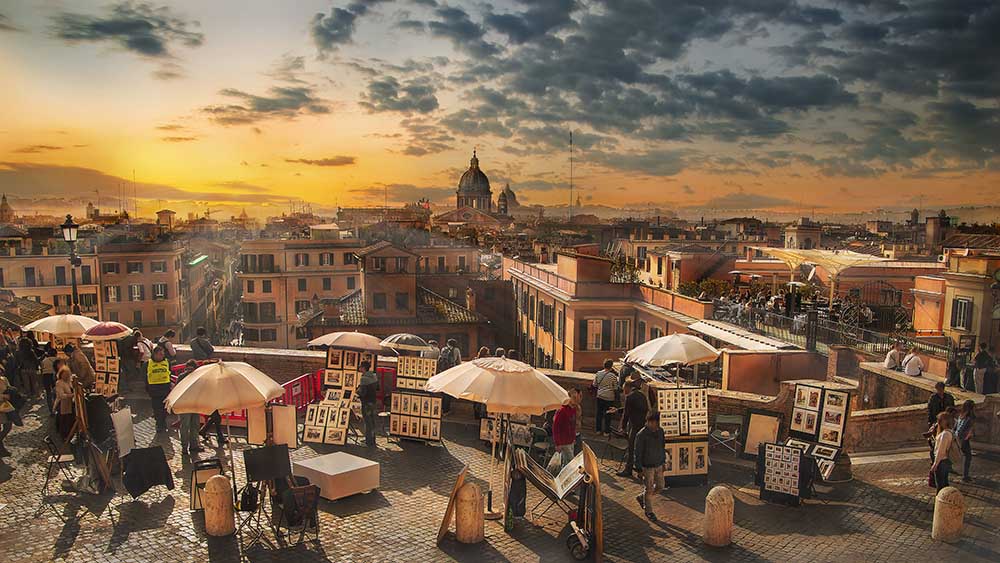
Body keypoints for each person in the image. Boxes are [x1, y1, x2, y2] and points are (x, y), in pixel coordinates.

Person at [634, 412, 665, 521]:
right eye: (656, 423)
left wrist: (663, 461)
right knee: (649, 489)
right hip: (648, 466)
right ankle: (649, 511)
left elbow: (662, 446)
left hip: (659, 464)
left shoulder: (660, 431)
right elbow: (637, 452)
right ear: (650, 422)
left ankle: (642, 497)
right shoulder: (641, 435)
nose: (657, 426)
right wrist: (638, 468)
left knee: (660, 486)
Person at [618, 382, 649, 478]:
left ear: (628, 387)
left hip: (634, 425)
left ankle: (629, 469)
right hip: (642, 425)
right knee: (640, 449)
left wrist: (623, 427)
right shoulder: (642, 396)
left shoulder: (630, 397)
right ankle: (640, 471)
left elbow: (626, 414)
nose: (624, 392)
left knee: (631, 448)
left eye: (624, 389)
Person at [174, 360, 203, 455]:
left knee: (195, 425)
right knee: (185, 426)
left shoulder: (199, 377)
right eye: (188, 369)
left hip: (195, 404)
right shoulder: (182, 377)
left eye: (191, 369)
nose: (189, 371)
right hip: (185, 404)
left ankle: (194, 445)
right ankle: (184, 446)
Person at [925, 381, 955, 460]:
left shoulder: (949, 397)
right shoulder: (933, 398)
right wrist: (931, 423)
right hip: (936, 422)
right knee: (935, 442)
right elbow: (930, 411)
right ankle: (934, 459)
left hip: (946, 422)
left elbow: (952, 409)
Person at [146, 345, 172, 433]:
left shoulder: (167, 362)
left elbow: (169, 373)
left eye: (163, 354)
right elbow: (144, 377)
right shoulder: (148, 363)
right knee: (157, 409)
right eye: (160, 354)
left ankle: (163, 422)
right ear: (155, 354)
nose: (162, 356)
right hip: (154, 390)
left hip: (165, 389)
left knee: (165, 408)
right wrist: (148, 389)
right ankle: (159, 424)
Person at [548, 396, 577, 475]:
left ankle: (563, 476)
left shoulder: (573, 409)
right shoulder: (561, 411)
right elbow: (555, 427)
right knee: (571, 462)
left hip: (570, 440)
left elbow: (573, 425)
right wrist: (557, 443)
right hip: (564, 441)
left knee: (566, 463)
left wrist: (574, 437)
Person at [930, 411, 957, 492]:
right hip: (946, 461)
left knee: (940, 486)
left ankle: (940, 503)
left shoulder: (945, 434)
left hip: (941, 462)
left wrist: (935, 464)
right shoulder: (950, 432)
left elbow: (940, 451)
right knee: (944, 484)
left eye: (939, 420)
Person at [592, 360, 618, 435]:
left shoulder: (598, 373)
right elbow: (615, 387)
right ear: (611, 366)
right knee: (608, 414)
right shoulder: (613, 376)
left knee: (599, 414)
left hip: (600, 396)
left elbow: (594, 384)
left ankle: (598, 430)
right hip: (609, 398)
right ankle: (606, 431)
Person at [357, 360, 378, 447]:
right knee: (372, 422)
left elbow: (362, 392)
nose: (359, 368)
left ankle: (368, 442)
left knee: (367, 422)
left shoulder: (363, 379)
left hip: (366, 402)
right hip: (373, 401)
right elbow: (378, 388)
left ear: (363, 368)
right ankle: (372, 440)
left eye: (360, 367)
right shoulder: (374, 376)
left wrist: (357, 390)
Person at [955, 400, 976, 482]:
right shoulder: (969, 417)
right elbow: (961, 429)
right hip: (963, 439)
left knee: (966, 456)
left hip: (960, 438)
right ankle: (965, 475)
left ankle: (965, 475)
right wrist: (967, 435)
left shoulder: (961, 415)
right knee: (968, 457)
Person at [15, 332, 40, 398]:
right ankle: (37, 395)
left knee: (26, 383)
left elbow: (17, 361)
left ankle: (28, 395)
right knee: (34, 382)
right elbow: (36, 360)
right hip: (32, 368)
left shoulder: (18, 352)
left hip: (23, 368)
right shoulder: (31, 351)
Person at [54, 365, 76, 440]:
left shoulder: (69, 382)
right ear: (61, 374)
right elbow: (61, 395)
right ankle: (64, 436)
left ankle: (69, 434)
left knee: (69, 419)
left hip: (69, 404)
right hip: (62, 404)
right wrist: (72, 395)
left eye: (67, 374)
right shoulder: (59, 383)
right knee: (64, 420)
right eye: (64, 374)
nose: (66, 376)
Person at [40, 347, 59, 415]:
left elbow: (42, 368)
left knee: (48, 393)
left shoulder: (44, 360)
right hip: (55, 376)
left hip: (46, 376)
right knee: (56, 392)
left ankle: (51, 410)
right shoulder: (58, 360)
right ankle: (56, 407)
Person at [0, 372, 13, 457]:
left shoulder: (3, 379)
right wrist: (2, 396)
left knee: (8, 425)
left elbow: (9, 389)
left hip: (5, 405)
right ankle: (2, 450)